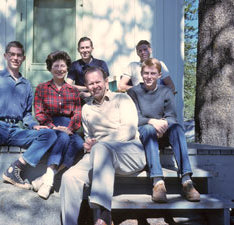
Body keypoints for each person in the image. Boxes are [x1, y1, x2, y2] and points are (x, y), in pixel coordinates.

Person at [0, 41, 57, 205]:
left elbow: (26, 114)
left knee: (50, 134)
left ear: (23, 58)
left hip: (16, 130)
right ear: (6, 56)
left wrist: (33, 125)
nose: (15, 58)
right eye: (12, 54)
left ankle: (14, 169)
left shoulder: (26, 84)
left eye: (19, 55)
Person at [60, 67, 146, 225]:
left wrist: (100, 144)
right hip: (99, 154)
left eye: (98, 82)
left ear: (106, 82)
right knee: (69, 177)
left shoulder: (122, 99)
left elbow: (128, 130)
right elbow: (89, 137)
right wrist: (88, 144)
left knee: (101, 148)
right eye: (90, 83)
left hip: (129, 152)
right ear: (86, 86)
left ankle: (104, 214)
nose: (95, 86)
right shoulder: (86, 109)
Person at [127, 58, 200, 203]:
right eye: (146, 73)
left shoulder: (166, 91)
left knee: (177, 128)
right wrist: (152, 122)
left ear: (159, 75)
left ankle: (187, 181)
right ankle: (158, 182)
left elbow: (172, 116)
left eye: (153, 73)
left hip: (162, 132)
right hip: (144, 134)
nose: (149, 76)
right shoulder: (133, 92)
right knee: (148, 129)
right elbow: (133, 117)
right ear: (141, 74)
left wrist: (163, 125)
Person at [32, 50, 84, 199]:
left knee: (79, 143)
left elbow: (77, 113)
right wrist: (52, 127)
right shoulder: (42, 88)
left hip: (68, 126)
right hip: (50, 125)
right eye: (56, 65)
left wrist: (70, 128)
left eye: (63, 66)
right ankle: (48, 183)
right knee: (63, 138)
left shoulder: (73, 90)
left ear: (67, 68)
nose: (60, 69)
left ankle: (46, 177)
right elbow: (39, 112)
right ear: (50, 68)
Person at [67, 37, 109, 103]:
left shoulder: (101, 63)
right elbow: (68, 85)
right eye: (82, 48)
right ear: (78, 50)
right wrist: (86, 88)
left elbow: (106, 85)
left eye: (87, 47)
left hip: (99, 97)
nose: (85, 50)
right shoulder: (74, 65)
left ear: (92, 49)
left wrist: (90, 93)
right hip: (80, 98)